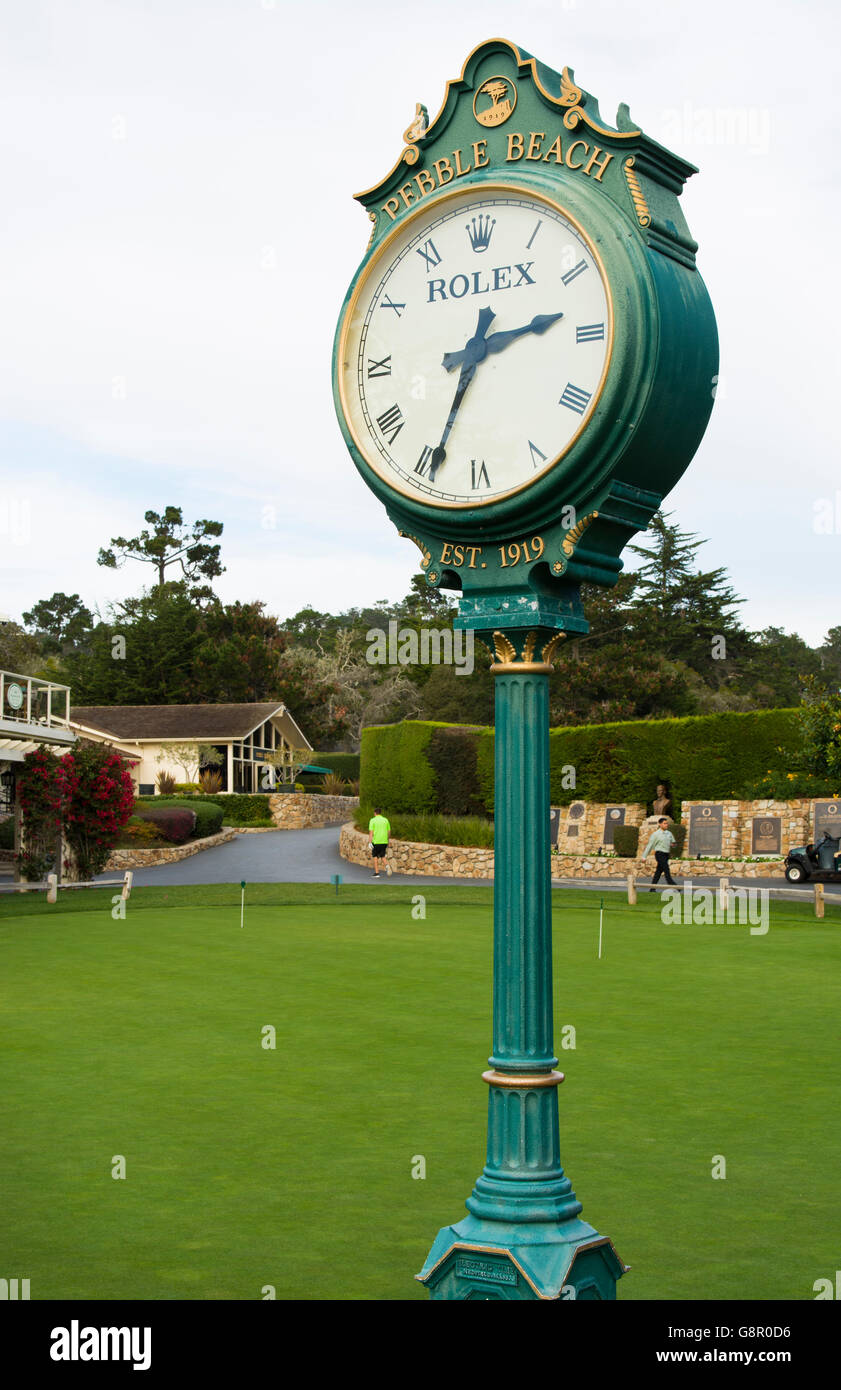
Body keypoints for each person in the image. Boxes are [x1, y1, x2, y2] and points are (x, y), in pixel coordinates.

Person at [643, 816, 676, 889]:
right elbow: (649, 846)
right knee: (666, 869)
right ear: (660, 824)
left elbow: (673, 843)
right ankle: (673, 885)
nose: (666, 825)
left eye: (667, 823)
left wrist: (673, 845)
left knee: (658, 872)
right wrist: (644, 857)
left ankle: (652, 888)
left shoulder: (669, 833)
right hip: (659, 854)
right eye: (664, 823)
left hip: (666, 854)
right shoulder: (655, 834)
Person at [368, 806, 391, 878]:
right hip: (384, 841)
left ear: (375, 813)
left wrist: (370, 842)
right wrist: (387, 839)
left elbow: (371, 832)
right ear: (380, 813)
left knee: (375, 857)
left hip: (376, 841)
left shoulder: (372, 820)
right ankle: (387, 866)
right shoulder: (386, 820)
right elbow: (389, 831)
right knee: (382, 855)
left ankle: (377, 873)